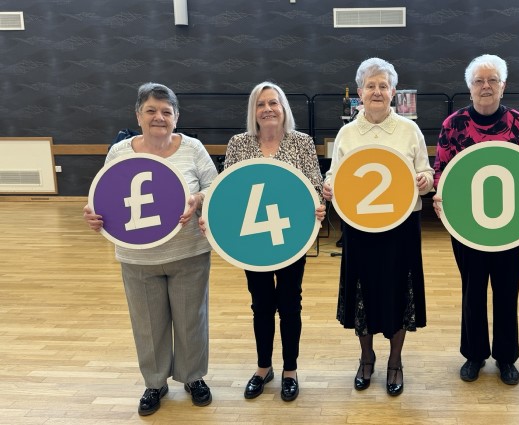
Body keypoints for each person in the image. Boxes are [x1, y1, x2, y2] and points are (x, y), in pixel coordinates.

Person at [83, 82, 218, 415]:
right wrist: (93, 214)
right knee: (147, 322)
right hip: (137, 256)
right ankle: (155, 383)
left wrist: (198, 199)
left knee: (191, 319)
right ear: (138, 115)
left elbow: (214, 187)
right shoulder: (120, 152)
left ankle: (193, 377)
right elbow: (103, 197)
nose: (159, 117)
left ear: (176, 117)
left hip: (189, 253)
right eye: (151, 111)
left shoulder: (193, 148)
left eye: (166, 112)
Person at [203, 82, 325, 402]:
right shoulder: (239, 143)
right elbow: (227, 192)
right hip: (251, 241)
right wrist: (213, 220)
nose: (267, 109)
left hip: (290, 238)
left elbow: (315, 184)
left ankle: (290, 370)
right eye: (261, 104)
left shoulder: (302, 143)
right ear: (253, 112)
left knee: (289, 303)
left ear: (284, 108)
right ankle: (263, 367)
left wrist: (319, 204)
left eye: (273, 103)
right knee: (260, 305)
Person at [322, 57, 433, 396]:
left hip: (401, 228)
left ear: (394, 92)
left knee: (400, 292)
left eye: (383, 86)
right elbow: (333, 176)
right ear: (359, 93)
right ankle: (366, 357)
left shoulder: (409, 130)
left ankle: (395, 361)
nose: (377, 91)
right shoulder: (347, 133)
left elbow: (428, 173)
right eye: (371, 86)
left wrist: (424, 180)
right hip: (360, 228)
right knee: (363, 293)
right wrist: (328, 186)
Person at [431, 54, 519, 385]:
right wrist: (438, 195)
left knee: (507, 291)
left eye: (493, 80)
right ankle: (474, 355)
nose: (486, 86)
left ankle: (507, 358)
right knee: (473, 290)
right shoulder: (453, 124)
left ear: (503, 86)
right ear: (469, 87)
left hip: (513, 226)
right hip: (467, 225)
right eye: (479, 81)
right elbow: (441, 171)